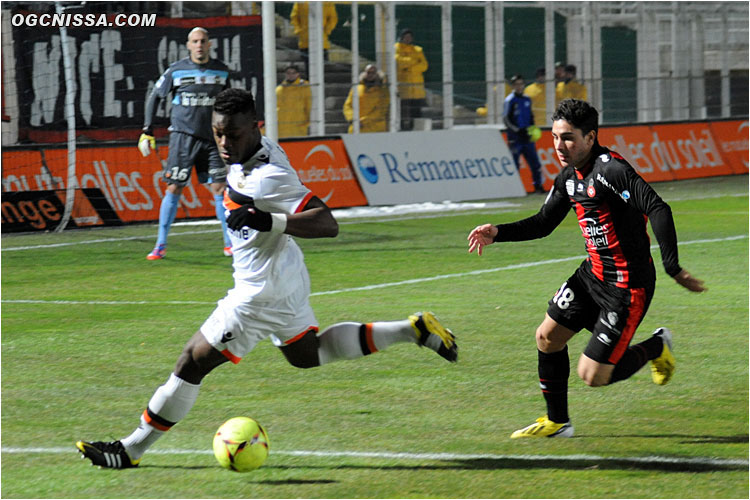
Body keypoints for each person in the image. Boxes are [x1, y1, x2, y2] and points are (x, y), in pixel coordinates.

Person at [76, 88, 458, 469]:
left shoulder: (271, 175)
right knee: (309, 354)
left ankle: (130, 451)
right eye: (218, 133)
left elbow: (328, 224)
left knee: (190, 362)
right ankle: (412, 330)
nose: (224, 143)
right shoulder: (251, 152)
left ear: (256, 128)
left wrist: (267, 220)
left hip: (259, 294)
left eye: (234, 134)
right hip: (285, 275)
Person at [467, 98, 706, 439]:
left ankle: (656, 347)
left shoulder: (612, 171)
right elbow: (543, 223)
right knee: (546, 337)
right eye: (554, 137)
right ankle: (557, 422)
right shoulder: (568, 177)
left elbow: (657, 207)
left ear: (590, 137)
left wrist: (672, 266)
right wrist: (498, 233)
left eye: (568, 138)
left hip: (626, 286)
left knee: (593, 376)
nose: (559, 146)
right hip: (591, 275)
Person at [139, 27, 232, 260]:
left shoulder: (221, 71)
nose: (199, 45)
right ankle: (160, 244)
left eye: (203, 41)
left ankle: (229, 244)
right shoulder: (176, 70)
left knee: (219, 188)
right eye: (194, 41)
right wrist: (147, 130)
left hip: (212, 140)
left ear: (209, 44)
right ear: (188, 45)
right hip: (183, 137)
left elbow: (230, 102)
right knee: (174, 187)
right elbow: (155, 96)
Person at [503, 75, 545, 194]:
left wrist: (531, 129)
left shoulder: (527, 99)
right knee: (515, 165)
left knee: (535, 163)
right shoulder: (510, 100)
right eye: (517, 84)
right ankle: (513, 190)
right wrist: (517, 130)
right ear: (513, 86)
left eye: (521, 84)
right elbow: (506, 119)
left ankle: (538, 186)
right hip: (515, 138)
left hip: (527, 137)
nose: (519, 86)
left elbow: (530, 116)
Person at [290, 2, 338, 79]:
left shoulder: (327, 2)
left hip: (321, 40)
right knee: (308, 64)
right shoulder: (300, 3)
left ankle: (317, 82)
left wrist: (326, 31)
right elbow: (294, 17)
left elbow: (333, 18)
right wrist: (298, 30)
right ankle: (310, 83)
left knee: (320, 65)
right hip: (305, 40)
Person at [394, 29, 428, 131]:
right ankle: (403, 128)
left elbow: (424, 66)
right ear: (401, 37)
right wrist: (414, 61)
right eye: (406, 36)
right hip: (403, 86)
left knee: (416, 111)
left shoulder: (418, 49)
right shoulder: (396, 48)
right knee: (403, 110)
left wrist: (409, 68)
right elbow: (399, 62)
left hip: (416, 87)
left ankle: (416, 129)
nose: (408, 38)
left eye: (410, 36)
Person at [342, 64, 390, 133]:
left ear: (377, 74)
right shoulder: (356, 88)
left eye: (373, 73)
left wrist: (362, 121)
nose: (370, 75)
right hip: (356, 129)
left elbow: (381, 110)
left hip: (375, 128)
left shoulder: (383, 91)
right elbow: (347, 105)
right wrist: (353, 119)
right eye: (368, 72)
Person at [276, 65, 312, 138]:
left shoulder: (304, 87)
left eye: (293, 73)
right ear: (285, 74)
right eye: (288, 73)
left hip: (299, 125)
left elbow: (308, 105)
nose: (291, 75)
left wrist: (308, 122)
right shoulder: (279, 90)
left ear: (298, 74)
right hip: (282, 127)